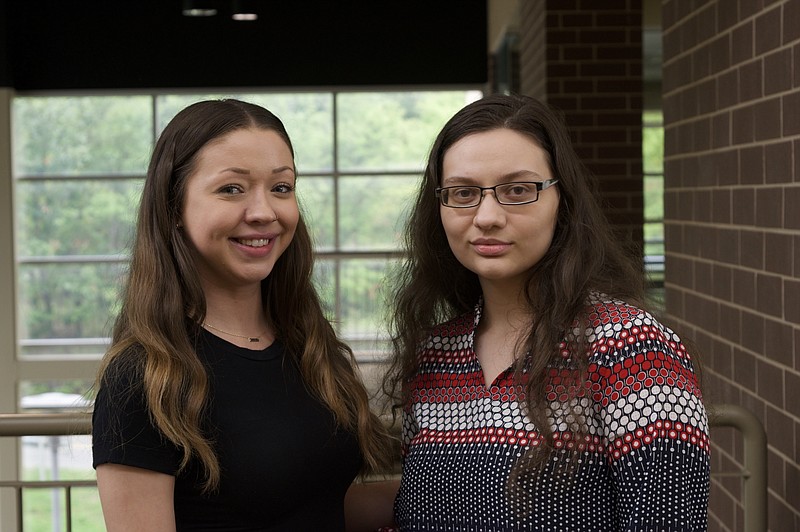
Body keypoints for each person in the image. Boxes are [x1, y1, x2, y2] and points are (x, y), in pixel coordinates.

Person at [383, 94, 710, 531]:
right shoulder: (433, 355)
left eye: (517, 190)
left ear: (563, 201)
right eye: (462, 193)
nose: (487, 216)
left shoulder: (631, 347)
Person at [92, 99, 395, 531]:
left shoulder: (305, 344)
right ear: (173, 208)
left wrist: (464, 489)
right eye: (231, 189)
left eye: (281, 188)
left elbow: (313, 503)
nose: (263, 212)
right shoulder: (144, 378)